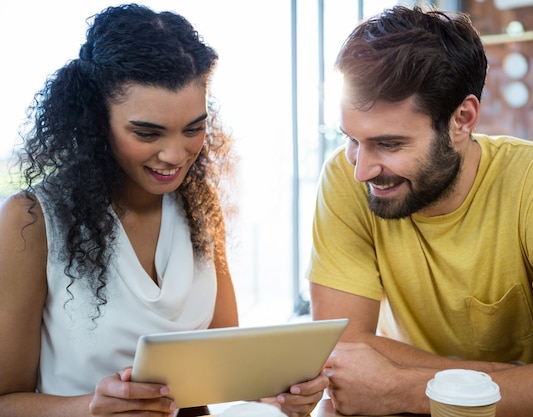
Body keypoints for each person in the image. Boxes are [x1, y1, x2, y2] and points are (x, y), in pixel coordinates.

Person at [0, 4, 326, 417]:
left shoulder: (201, 205)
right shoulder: (31, 220)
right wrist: (90, 408)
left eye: (193, 128)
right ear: (96, 122)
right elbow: (5, 401)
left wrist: (277, 392)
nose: (175, 155)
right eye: (147, 132)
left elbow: (230, 369)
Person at [306, 5, 533, 417]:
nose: (361, 170)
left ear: (462, 119)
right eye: (351, 138)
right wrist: (527, 378)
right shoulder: (343, 176)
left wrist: (402, 387)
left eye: (389, 144)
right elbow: (344, 349)